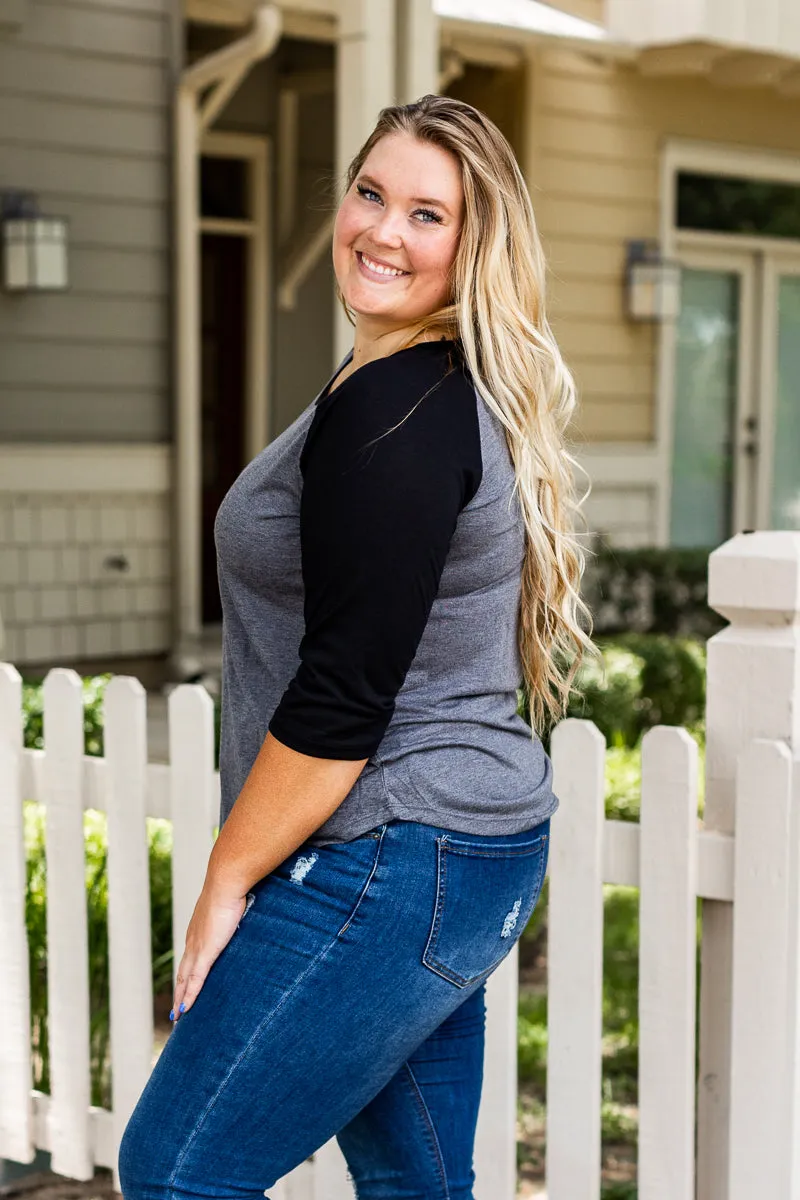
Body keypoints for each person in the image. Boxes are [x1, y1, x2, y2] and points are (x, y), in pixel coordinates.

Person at [118, 93, 594, 1200]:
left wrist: (226, 881)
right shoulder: (409, 383)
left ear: (473, 244)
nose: (382, 231)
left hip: (392, 846)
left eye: (428, 215)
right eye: (370, 193)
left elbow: (346, 693)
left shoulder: (399, 407)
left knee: (177, 1170)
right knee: (415, 1186)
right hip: (463, 848)